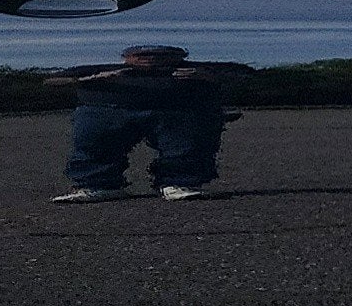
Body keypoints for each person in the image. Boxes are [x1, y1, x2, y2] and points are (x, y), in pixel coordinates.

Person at [52, 45, 240, 201]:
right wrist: (95, 78)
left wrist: (206, 76)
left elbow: (241, 75)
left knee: (186, 143)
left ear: (180, 57)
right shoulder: (104, 68)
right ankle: (96, 184)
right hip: (108, 108)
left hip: (180, 109)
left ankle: (180, 182)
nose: (152, 59)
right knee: (96, 141)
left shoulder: (200, 68)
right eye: (143, 55)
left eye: (162, 56)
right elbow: (53, 80)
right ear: (127, 58)